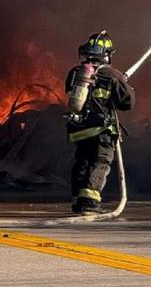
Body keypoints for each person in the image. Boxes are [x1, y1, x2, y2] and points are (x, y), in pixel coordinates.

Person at [63, 31, 134, 214]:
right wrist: (122, 83)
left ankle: (78, 200)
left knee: (82, 161)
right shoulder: (112, 74)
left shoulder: (75, 73)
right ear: (106, 54)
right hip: (100, 129)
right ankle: (89, 202)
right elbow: (128, 102)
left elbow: (71, 93)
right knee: (100, 161)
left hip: (78, 129)